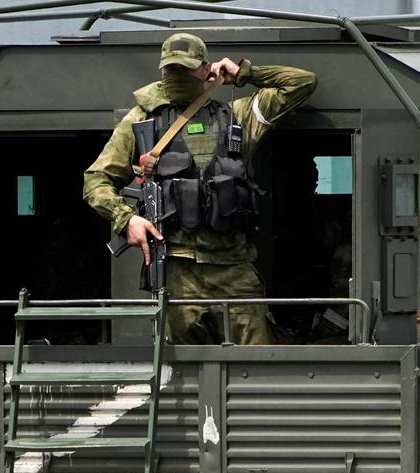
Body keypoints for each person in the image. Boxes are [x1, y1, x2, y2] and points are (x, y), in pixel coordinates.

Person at [83, 32, 316, 345]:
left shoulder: (238, 115)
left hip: (233, 269)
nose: (177, 75)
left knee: (257, 368)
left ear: (206, 68)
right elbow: (96, 180)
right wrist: (127, 219)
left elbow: (302, 83)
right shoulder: (140, 120)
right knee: (183, 377)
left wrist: (244, 73)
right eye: (171, 69)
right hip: (177, 270)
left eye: (186, 68)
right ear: (162, 71)